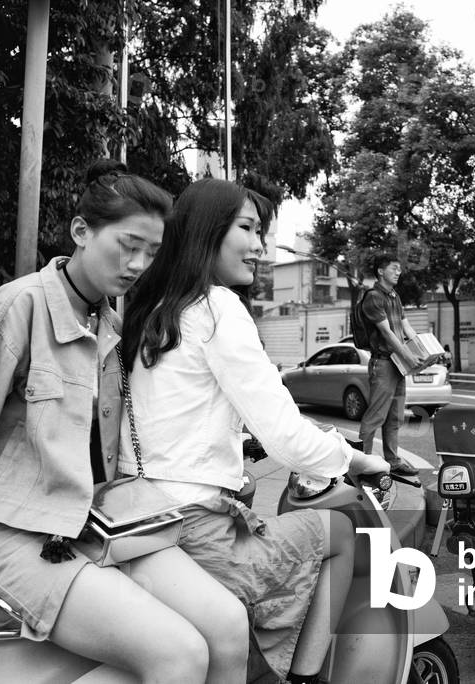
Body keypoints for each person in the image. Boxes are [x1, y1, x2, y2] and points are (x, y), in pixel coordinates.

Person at [0, 161, 249, 684]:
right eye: (128, 246)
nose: (138, 265)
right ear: (81, 231)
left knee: (228, 627)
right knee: (179, 655)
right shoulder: (19, 307)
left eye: (151, 253)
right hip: (8, 531)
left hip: (93, 523)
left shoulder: (111, 325)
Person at [120, 178, 389, 684]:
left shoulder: (152, 311)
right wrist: (358, 459)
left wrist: (238, 442)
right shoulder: (217, 308)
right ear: (208, 231)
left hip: (139, 516)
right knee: (340, 534)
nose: (260, 246)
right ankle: (304, 678)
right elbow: (285, 433)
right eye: (247, 228)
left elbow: (175, 415)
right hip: (195, 527)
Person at [357, 253, 427, 476]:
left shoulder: (394, 296)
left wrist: (425, 350)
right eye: (394, 268)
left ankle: (393, 461)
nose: (399, 272)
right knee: (375, 416)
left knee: (395, 417)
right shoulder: (373, 297)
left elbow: (407, 327)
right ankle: (362, 463)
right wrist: (408, 356)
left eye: (399, 268)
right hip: (383, 364)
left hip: (397, 364)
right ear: (380, 271)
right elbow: (387, 333)